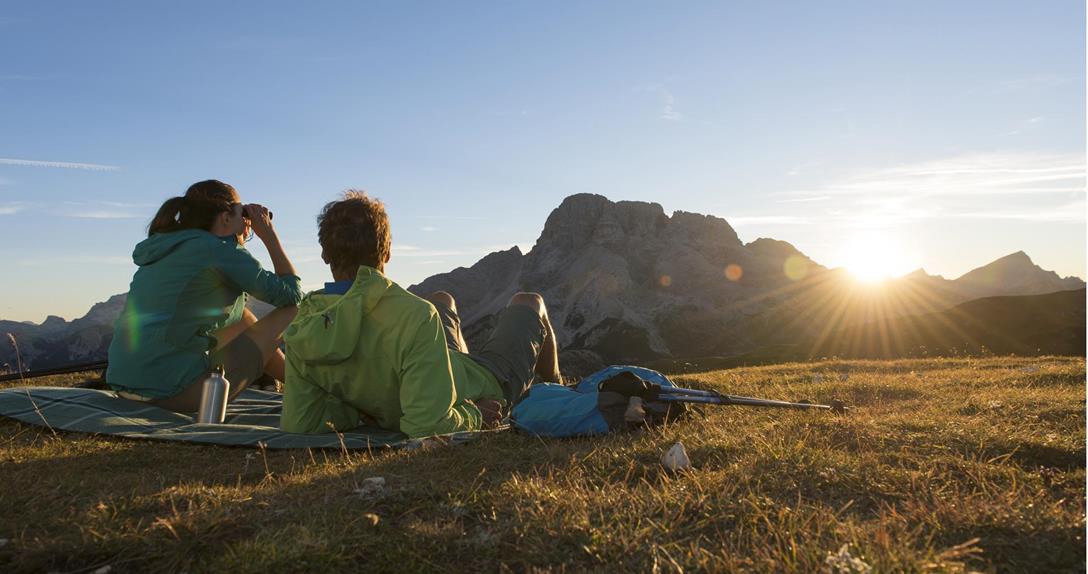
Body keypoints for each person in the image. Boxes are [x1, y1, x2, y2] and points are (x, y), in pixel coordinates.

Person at [281, 190, 562, 438]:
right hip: (487, 385)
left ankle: (464, 365)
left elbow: (302, 422)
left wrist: (363, 411)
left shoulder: (305, 323)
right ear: (387, 252)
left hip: (433, 372)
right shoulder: (414, 314)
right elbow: (428, 427)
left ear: (325, 256)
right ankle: (557, 388)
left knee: (443, 299)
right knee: (530, 301)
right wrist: (477, 416)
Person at [106, 180, 304, 412]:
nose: (247, 220)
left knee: (243, 317)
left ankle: (300, 384)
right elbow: (292, 296)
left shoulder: (171, 245)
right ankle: (309, 386)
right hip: (174, 394)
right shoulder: (218, 250)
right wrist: (269, 235)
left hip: (127, 388)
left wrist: (238, 239)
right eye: (243, 212)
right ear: (225, 217)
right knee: (291, 309)